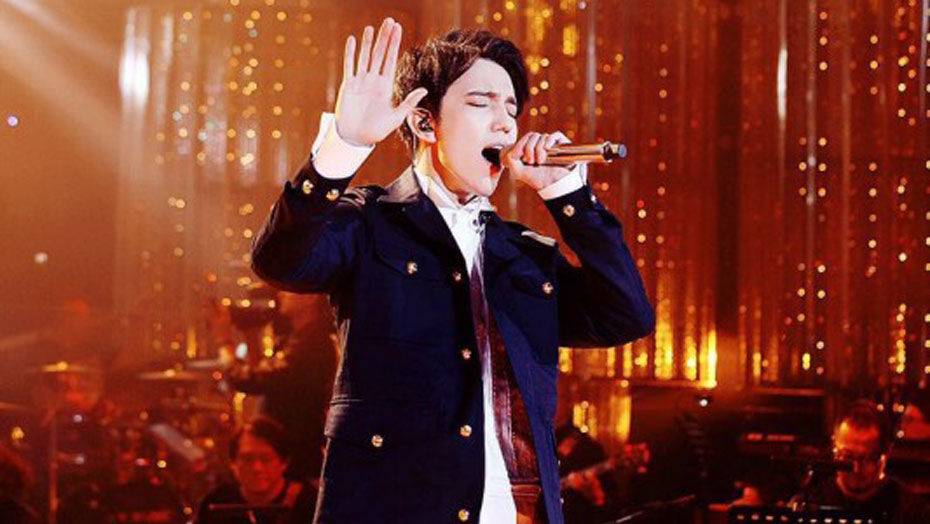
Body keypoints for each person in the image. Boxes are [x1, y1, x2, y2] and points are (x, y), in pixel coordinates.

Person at [251, 18, 654, 524]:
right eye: (482, 103)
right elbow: (279, 260)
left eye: (512, 109)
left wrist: (567, 194)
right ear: (425, 123)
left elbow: (626, 316)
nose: (505, 125)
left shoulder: (524, 255)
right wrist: (344, 145)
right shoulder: (370, 223)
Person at [790, 400, 930, 523]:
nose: (856, 468)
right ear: (834, 447)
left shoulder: (912, 511)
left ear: (885, 453)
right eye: (847, 456)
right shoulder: (810, 504)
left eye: (867, 458)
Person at [196, 417, 314, 524]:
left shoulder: (309, 503)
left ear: (284, 463)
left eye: (266, 459)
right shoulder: (216, 502)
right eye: (247, 459)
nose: (257, 468)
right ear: (233, 463)